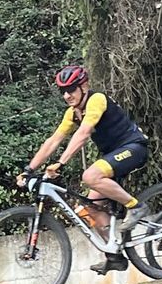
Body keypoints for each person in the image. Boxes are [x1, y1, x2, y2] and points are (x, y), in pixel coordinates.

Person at [20, 64, 150, 272]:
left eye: (71, 89)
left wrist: (61, 163)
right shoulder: (72, 113)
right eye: (63, 91)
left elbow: (84, 133)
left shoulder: (96, 100)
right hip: (112, 157)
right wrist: (29, 169)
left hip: (133, 147)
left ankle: (136, 207)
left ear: (84, 86)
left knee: (90, 176)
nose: (67, 95)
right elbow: (53, 141)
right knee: (87, 209)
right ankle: (114, 254)